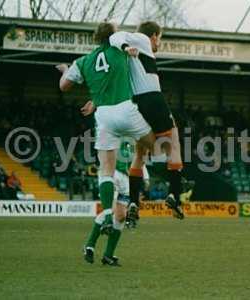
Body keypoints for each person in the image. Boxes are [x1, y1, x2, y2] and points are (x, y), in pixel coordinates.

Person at [57, 22, 155, 266]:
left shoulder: (85, 61)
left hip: (104, 117)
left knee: (105, 170)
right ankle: (95, 239)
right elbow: (130, 78)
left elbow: (64, 86)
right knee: (159, 142)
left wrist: (68, 72)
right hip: (125, 108)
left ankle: (107, 251)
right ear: (113, 36)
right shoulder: (120, 49)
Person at [82, 21, 185, 221]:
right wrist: (125, 46)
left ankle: (134, 202)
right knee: (174, 143)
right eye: (160, 38)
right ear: (154, 35)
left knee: (140, 153)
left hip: (136, 104)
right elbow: (115, 37)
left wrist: (95, 101)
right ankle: (175, 194)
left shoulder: (125, 58)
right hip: (152, 99)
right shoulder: (141, 39)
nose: (158, 43)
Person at [83, 140, 149, 264]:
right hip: (111, 172)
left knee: (121, 216)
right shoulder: (114, 131)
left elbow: (140, 159)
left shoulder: (135, 137)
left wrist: (145, 177)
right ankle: (89, 246)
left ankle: (108, 255)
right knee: (111, 210)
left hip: (126, 179)